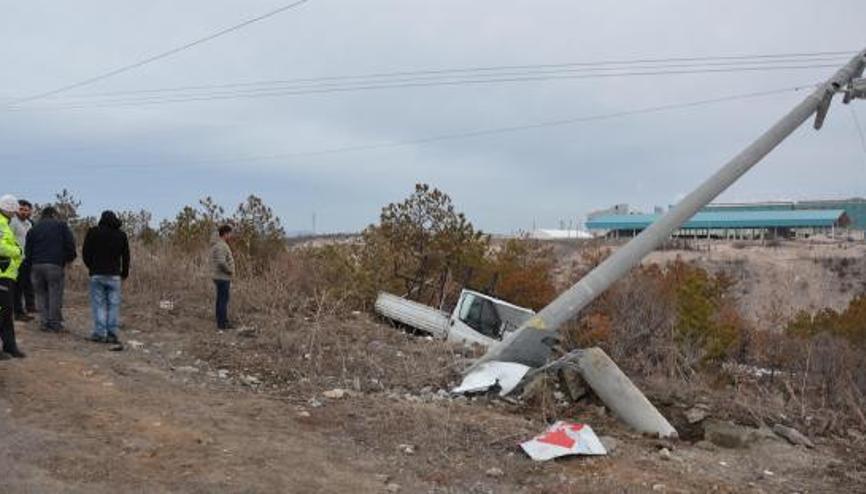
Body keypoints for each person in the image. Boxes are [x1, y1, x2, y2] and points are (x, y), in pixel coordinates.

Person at [26, 206, 76, 332]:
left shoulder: (33, 228)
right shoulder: (61, 226)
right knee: (55, 294)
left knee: (40, 294)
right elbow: (70, 244)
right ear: (54, 214)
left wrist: (31, 264)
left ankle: (44, 323)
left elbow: (27, 250)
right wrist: (67, 259)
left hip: (36, 265)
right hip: (54, 265)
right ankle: (55, 323)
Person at [82, 211, 130, 344]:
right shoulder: (121, 235)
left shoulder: (93, 232)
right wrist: (124, 273)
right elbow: (126, 256)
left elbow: (85, 253)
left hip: (97, 273)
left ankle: (100, 333)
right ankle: (112, 334)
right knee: (113, 305)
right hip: (114, 275)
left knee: (99, 304)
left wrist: (91, 267)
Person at [0, 194, 26, 359]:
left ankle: (10, 346)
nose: (16, 213)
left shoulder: (5, 223)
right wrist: (17, 251)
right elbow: (1, 247)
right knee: (3, 312)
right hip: (2, 275)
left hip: (7, 275)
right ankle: (8, 347)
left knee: (6, 313)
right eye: (15, 210)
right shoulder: (1, 224)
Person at [10, 199, 35, 321]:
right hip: (14, 259)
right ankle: (17, 312)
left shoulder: (29, 224)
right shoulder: (12, 222)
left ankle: (21, 310)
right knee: (16, 287)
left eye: (26, 210)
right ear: (16, 209)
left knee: (23, 285)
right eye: (21, 209)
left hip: (26, 259)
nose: (24, 212)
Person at [210, 224, 235, 330]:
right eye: (230, 233)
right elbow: (221, 262)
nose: (231, 235)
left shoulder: (220, 244)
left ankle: (222, 322)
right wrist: (229, 271)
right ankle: (222, 324)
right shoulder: (221, 245)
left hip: (220, 276)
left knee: (221, 300)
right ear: (225, 233)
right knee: (223, 301)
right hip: (222, 277)